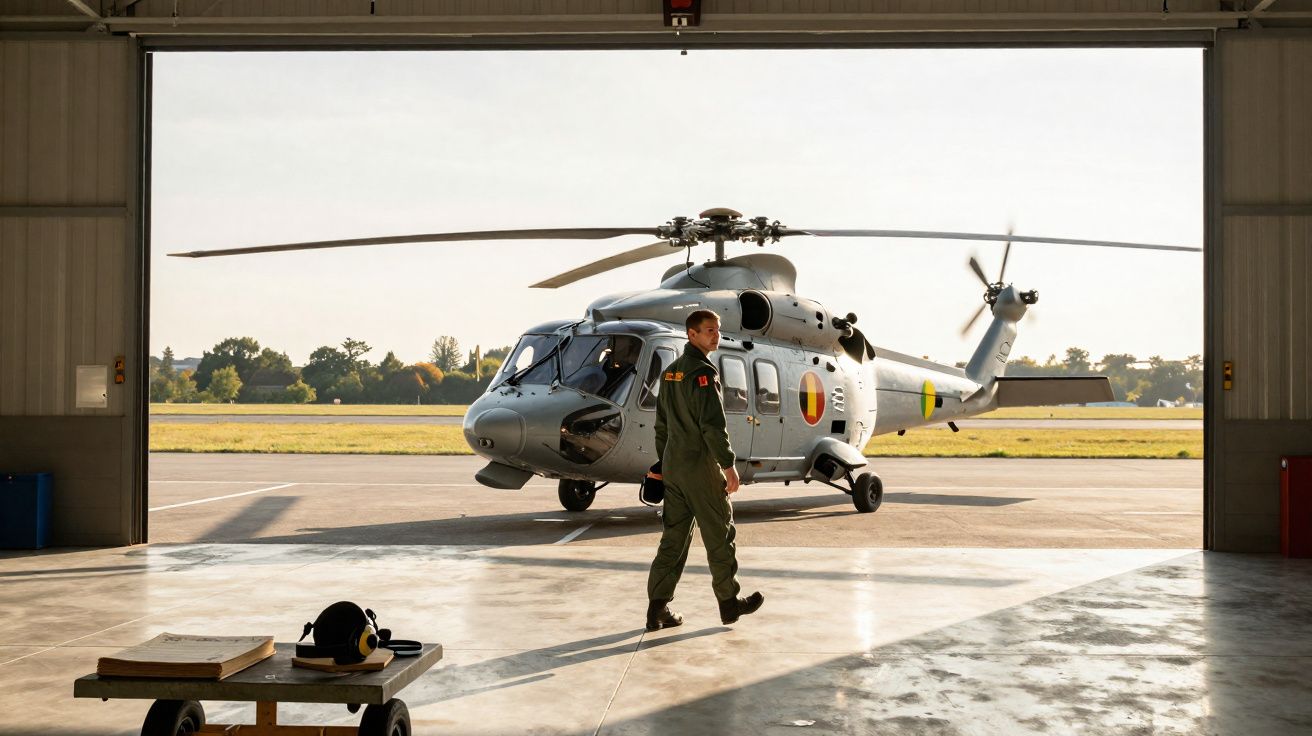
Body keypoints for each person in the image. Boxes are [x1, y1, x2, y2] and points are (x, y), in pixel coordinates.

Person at [645, 309, 764, 631]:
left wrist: (667, 463)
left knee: (673, 540)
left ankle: (657, 610)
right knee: (720, 536)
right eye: (709, 330)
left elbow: (661, 428)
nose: (716, 336)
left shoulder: (670, 374)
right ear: (692, 335)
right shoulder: (703, 373)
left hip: (674, 467)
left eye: (717, 330)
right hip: (700, 468)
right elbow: (713, 426)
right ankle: (729, 604)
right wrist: (729, 467)